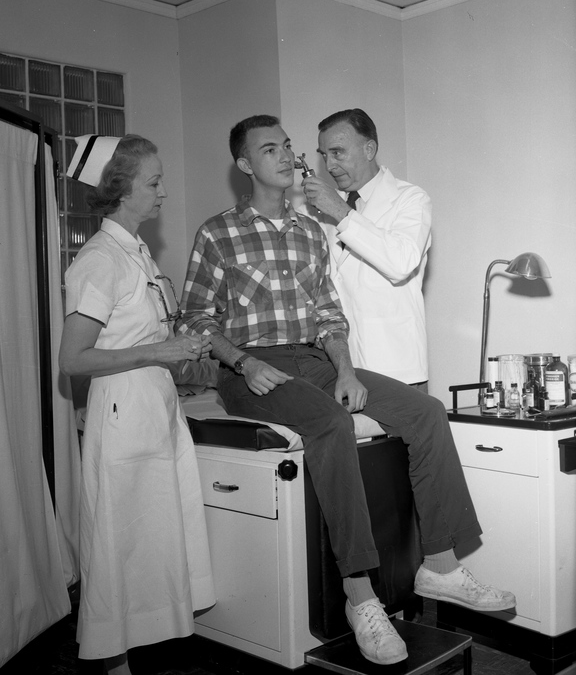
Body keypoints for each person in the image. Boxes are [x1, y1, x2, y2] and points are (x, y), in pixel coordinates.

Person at [177, 115, 515, 667]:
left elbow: (330, 314)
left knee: (427, 412)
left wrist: (346, 371)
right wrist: (241, 362)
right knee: (332, 425)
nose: (289, 156)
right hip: (249, 369)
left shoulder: (312, 229)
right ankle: (362, 598)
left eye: (289, 146)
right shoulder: (218, 232)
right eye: (272, 149)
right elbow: (194, 319)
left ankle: (441, 566)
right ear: (244, 165)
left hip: (317, 359)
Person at [59, 134, 215, 675]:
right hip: (123, 417)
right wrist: (160, 349)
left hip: (154, 411)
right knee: (118, 541)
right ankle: (111, 660)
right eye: (153, 182)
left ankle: (138, 649)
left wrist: (179, 349)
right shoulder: (100, 259)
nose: (164, 192)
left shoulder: (137, 253)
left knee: (150, 538)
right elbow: (74, 359)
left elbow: (136, 335)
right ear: (121, 190)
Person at [302, 108, 431, 389]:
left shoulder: (410, 199)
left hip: (395, 365)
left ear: (369, 149)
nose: (330, 166)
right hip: (337, 368)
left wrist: (339, 211)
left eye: (338, 153)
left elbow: (400, 264)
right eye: (324, 155)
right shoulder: (315, 210)